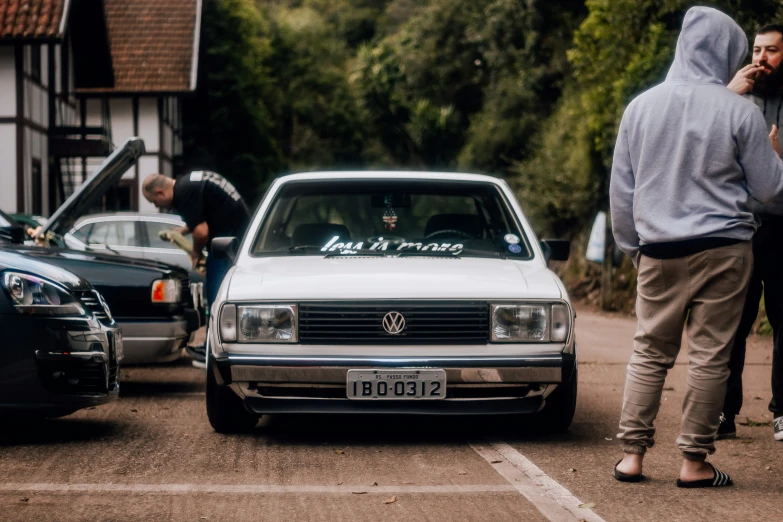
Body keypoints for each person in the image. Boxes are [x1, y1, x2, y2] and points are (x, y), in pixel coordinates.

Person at [609, 7, 783, 487]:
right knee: (711, 354)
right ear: (727, 52)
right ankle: (694, 463)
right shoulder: (740, 111)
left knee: (648, 352)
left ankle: (631, 457)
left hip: (658, 248)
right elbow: (770, 191)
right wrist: (773, 158)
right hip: (725, 249)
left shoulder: (640, 107)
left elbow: (622, 191)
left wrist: (634, 247)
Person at [719, 24, 783, 442]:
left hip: (782, 228)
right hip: (739, 227)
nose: (762, 58)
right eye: (757, 49)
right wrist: (727, 94)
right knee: (731, 325)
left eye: (773, 50)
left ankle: (782, 412)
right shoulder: (731, 98)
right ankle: (723, 413)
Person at [142, 171, 251, 336]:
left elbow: (201, 232)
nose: (158, 206)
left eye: (154, 201)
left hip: (226, 243)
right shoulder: (188, 183)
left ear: (160, 192)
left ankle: (214, 343)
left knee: (216, 294)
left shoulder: (182, 194)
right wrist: (183, 230)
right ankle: (217, 339)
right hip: (238, 235)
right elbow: (203, 218)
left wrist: (195, 253)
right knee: (225, 293)